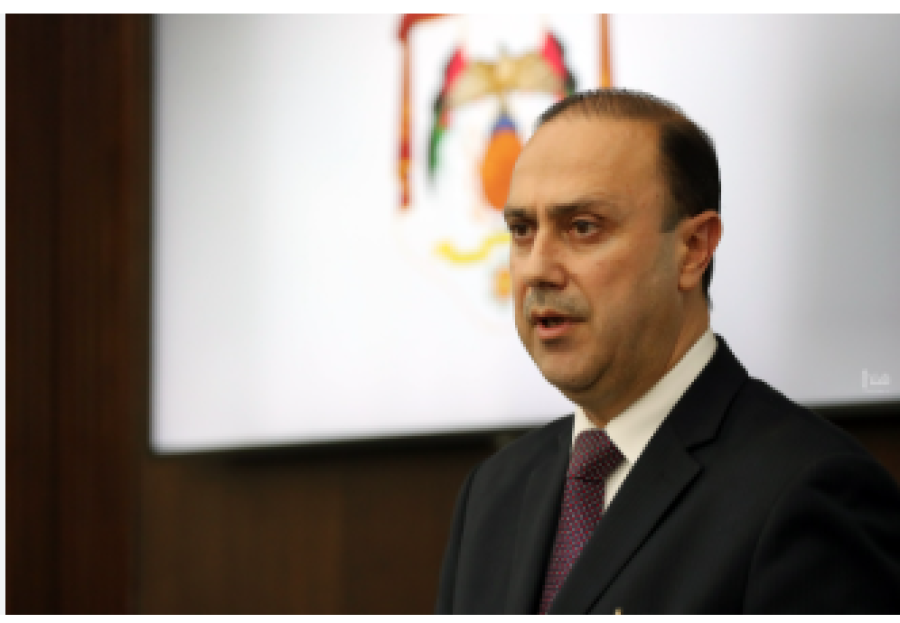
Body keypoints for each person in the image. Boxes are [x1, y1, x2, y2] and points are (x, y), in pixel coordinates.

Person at [434, 89, 900, 614]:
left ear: (693, 249)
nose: (538, 268)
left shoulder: (807, 490)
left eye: (583, 227)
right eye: (522, 231)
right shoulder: (492, 494)